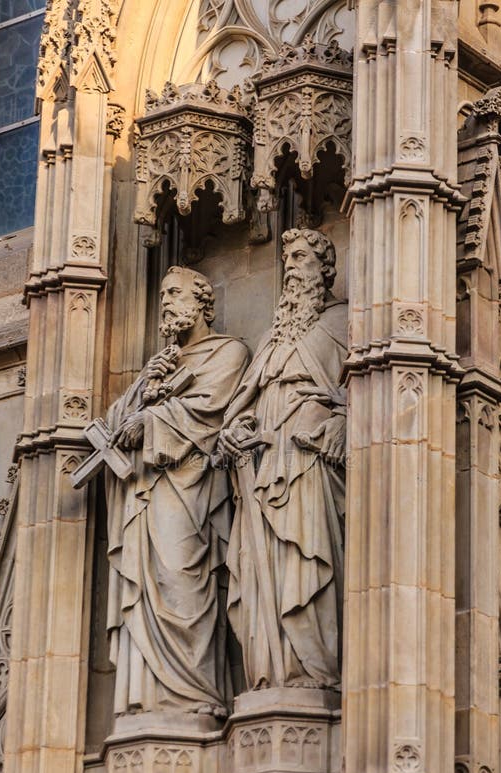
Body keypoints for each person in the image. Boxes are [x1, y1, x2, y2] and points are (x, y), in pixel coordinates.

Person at [106, 266, 248, 718]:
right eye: (162, 294)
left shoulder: (228, 353)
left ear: (203, 302)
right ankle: (149, 700)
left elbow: (210, 412)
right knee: (148, 593)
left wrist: (150, 421)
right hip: (145, 493)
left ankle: (195, 695)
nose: (165, 302)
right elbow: (113, 424)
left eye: (175, 293)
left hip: (192, 492)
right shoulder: (158, 366)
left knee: (184, 584)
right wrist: (141, 391)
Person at [216, 229, 347, 691]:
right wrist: (235, 431)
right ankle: (272, 673)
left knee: (307, 562)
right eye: (287, 258)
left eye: (301, 257)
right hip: (263, 468)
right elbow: (243, 404)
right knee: (260, 572)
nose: (291, 266)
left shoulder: (345, 322)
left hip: (310, 468)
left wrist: (341, 424)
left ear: (323, 267)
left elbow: (371, 394)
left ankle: (315, 672)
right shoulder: (272, 338)